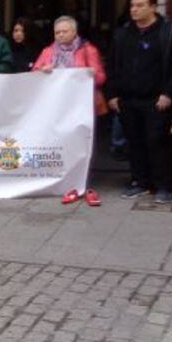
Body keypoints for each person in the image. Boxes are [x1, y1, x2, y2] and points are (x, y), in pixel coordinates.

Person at [105, 0, 172, 203]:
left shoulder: (167, 31)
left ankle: (165, 186)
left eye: (140, 5)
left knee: (158, 142)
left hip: (157, 99)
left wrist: (168, 93)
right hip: (128, 99)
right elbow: (113, 65)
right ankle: (140, 182)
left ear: (153, 7)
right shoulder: (123, 33)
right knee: (134, 142)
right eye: (132, 6)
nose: (134, 10)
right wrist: (113, 94)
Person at [33, 15, 107, 207]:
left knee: (81, 142)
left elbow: (100, 77)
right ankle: (63, 180)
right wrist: (43, 71)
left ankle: (82, 180)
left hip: (82, 106)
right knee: (60, 141)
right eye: (57, 32)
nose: (60, 35)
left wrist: (87, 73)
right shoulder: (48, 51)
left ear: (74, 32)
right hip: (56, 107)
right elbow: (34, 74)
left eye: (64, 31)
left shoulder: (88, 50)